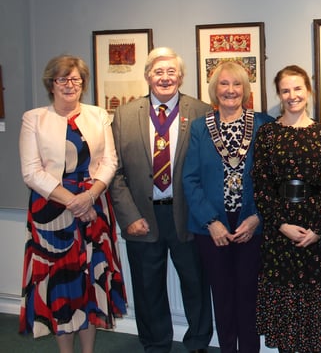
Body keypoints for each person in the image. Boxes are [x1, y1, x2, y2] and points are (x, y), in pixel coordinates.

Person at [18, 55, 126, 353]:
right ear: (51, 84)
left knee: (90, 283)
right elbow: (31, 171)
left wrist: (89, 197)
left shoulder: (98, 114)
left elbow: (109, 161)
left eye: (76, 79)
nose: (69, 85)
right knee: (61, 286)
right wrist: (74, 202)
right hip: (51, 213)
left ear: (83, 83)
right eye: (62, 79)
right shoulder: (34, 118)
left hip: (94, 208)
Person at [110, 47, 213, 353]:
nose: (165, 78)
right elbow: (116, 173)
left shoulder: (202, 111)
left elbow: (209, 171)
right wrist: (129, 217)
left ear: (180, 76)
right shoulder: (125, 114)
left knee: (195, 284)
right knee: (147, 286)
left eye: (171, 72)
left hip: (187, 214)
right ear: (147, 76)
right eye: (158, 72)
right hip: (143, 215)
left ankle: (197, 342)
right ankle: (155, 343)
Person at [183, 60, 273, 353]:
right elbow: (190, 179)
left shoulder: (263, 124)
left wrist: (257, 218)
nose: (230, 90)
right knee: (221, 296)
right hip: (213, 227)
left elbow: (273, 178)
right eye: (224, 84)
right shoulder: (200, 127)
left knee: (249, 295)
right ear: (214, 90)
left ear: (245, 90)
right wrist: (212, 221)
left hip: (251, 224)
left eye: (237, 84)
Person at [252, 65, 321, 353]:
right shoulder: (267, 133)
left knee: (314, 314)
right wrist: (281, 224)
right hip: (281, 233)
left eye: (298, 88)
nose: (292, 95)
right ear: (279, 94)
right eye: (285, 90)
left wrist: (318, 228)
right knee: (286, 316)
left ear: (308, 91)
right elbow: (261, 185)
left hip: (317, 232)